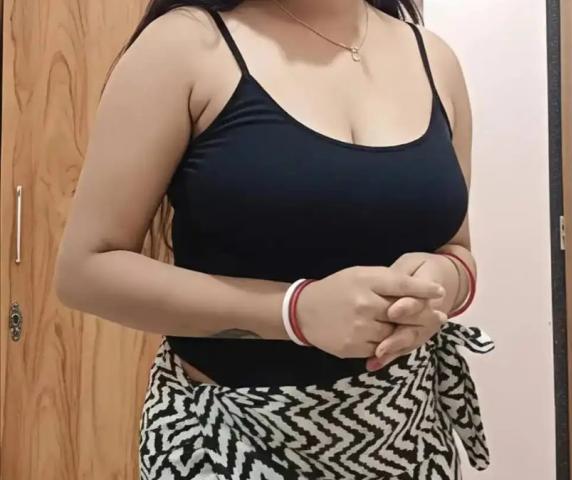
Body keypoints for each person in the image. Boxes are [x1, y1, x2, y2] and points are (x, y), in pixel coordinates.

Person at [54, 0, 494, 478]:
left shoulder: (435, 58)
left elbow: (457, 251)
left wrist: (442, 284)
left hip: (409, 437)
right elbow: (86, 270)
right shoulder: (184, 45)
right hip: (226, 439)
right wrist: (294, 312)